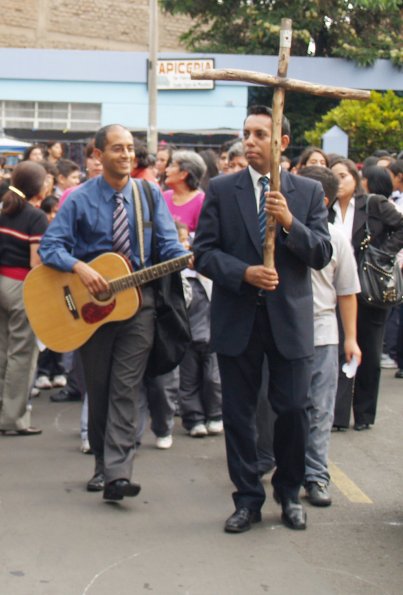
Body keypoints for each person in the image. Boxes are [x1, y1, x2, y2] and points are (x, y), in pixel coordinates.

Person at [193, 105, 332, 533]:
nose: (249, 141)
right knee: (237, 414)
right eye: (246, 133)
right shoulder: (222, 188)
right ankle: (247, 497)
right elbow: (204, 253)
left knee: (292, 409)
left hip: (288, 322)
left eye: (259, 134)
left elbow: (322, 253)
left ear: (282, 143)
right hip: (238, 318)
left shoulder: (306, 193)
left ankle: (289, 492)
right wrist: (244, 273)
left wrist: (289, 222)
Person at [39, 124, 189, 502]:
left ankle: (119, 474)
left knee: (126, 386)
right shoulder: (79, 199)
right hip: (88, 312)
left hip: (141, 308)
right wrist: (80, 267)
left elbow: (169, 246)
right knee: (101, 388)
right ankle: (103, 466)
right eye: (117, 149)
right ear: (98, 155)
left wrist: (185, 257)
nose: (126, 155)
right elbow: (50, 247)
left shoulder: (148, 195)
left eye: (130, 149)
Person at [298, 166, 361, 506]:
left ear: (320, 200)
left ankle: (316, 476)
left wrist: (350, 339)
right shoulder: (279, 230)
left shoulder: (336, 237)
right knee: (288, 409)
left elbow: (347, 292)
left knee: (320, 411)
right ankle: (288, 470)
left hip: (323, 334)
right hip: (286, 334)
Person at [330, 158, 403, 430]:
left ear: (355, 178)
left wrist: (383, 252)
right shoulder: (325, 208)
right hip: (336, 287)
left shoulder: (373, 204)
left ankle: (363, 415)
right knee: (339, 348)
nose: (338, 182)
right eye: (333, 176)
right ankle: (337, 416)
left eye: (343, 176)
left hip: (371, 286)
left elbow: (400, 227)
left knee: (370, 352)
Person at [0, 161, 48, 435]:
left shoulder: (4, 210)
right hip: (21, 287)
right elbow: (36, 262)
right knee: (22, 354)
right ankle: (13, 419)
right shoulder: (35, 217)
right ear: (38, 187)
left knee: (2, 351)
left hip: (1, 283)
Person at [163, 150, 206, 233]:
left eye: (172, 166)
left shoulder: (201, 202)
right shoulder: (164, 196)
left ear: (183, 174)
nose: (166, 170)